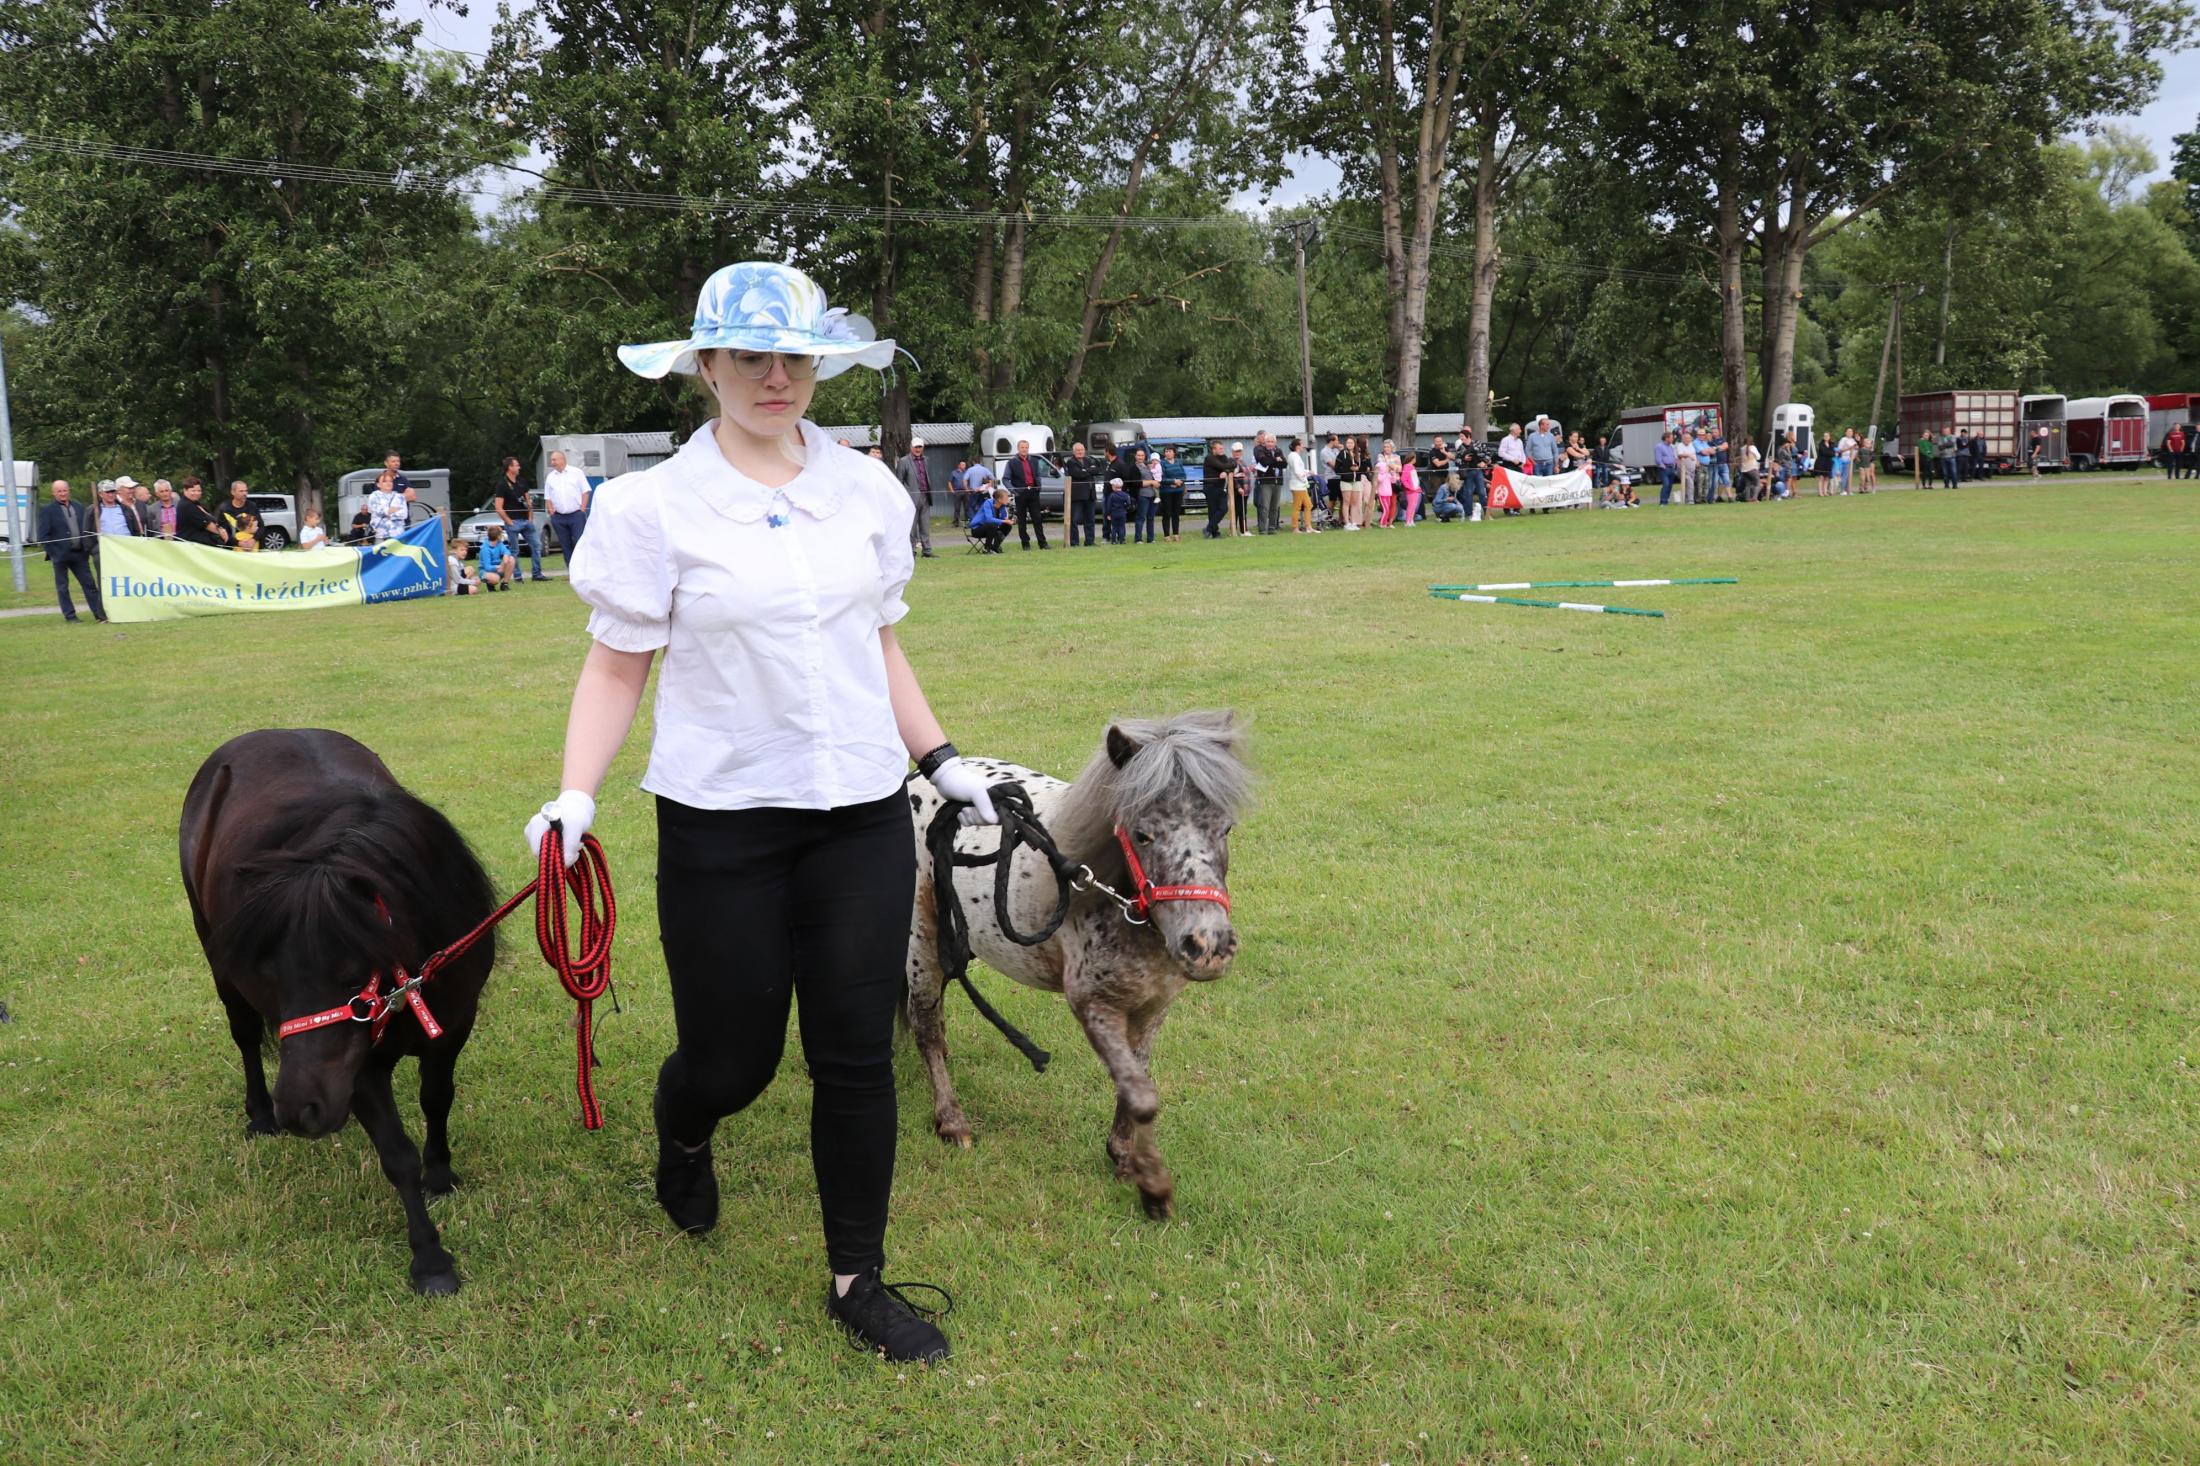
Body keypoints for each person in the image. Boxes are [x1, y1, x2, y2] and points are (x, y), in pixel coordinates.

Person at [539, 259, 1002, 1365]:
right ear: (705, 366)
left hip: (858, 817)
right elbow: (616, 667)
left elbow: (876, 641)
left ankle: (857, 1279)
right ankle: (684, 1126)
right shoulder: (652, 507)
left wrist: (938, 758)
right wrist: (575, 793)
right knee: (732, 1059)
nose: (774, 378)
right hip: (723, 822)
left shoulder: (867, 493)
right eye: (749, 356)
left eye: (793, 356)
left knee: (855, 1052)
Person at [37, 480, 105, 622]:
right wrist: (54, 553)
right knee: (63, 587)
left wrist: (86, 549)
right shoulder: (47, 510)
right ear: (53, 493)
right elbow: (43, 536)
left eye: (64, 490)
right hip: (60, 556)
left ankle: (99, 613)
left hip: (80, 554)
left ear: (69, 490)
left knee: (89, 585)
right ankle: (70, 615)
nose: (62, 493)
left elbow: (86, 528)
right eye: (59, 491)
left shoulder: (79, 507)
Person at [496, 457, 547, 581]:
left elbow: (528, 501)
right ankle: (517, 576)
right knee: (515, 550)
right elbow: (498, 507)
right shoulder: (502, 484)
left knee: (537, 545)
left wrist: (530, 517)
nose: (519, 467)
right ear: (510, 467)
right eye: (516, 465)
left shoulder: (521, 481)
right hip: (513, 522)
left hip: (526, 521)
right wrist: (509, 521)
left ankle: (537, 574)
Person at [544, 448, 593, 559]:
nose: (552, 462)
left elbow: (586, 492)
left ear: (562, 459)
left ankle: (582, 566)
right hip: (558, 517)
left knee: (580, 543)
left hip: (576, 515)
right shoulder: (550, 477)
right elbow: (548, 497)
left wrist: (582, 509)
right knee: (565, 546)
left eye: (554, 460)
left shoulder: (577, 473)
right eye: (551, 460)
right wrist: (552, 513)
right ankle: (570, 568)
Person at [894, 436, 937, 560]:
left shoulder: (926, 460)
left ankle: (927, 550)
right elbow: (899, 482)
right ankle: (911, 550)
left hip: (925, 496)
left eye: (920, 447)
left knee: (925, 526)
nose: (918, 449)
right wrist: (903, 498)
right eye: (916, 447)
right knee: (911, 527)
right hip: (910, 499)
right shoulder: (903, 461)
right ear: (911, 447)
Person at [1003, 439, 1049, 550]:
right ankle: (1025, 543)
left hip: (1033, 492)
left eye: (1026, 447)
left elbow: (1037, 475)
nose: (1024, 449)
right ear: (1018, 449)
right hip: (1020, 494)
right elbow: (1005, 479)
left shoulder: (1034, 460)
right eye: (1022, 447)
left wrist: (1039, 486)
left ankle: (1042, 543)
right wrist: (1014, 491)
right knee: (1022, 520)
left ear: (1028, 448)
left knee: (1037, 519)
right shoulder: (1012, 462)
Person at [1063, 440, 1101, 546]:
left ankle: (1090, 541)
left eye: (1082, 450)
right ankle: (1074, 542)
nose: (1080, 452)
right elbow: (1077, 474)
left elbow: (1097, 470)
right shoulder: (1070, 462)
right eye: (1078, 450)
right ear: (1074, 452)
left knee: (1090, 520)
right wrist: (1088, 471)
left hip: (1090, 495)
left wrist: (1085, 470)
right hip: (1078, 496)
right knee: (1074, 520)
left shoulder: (1088, 460)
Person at [365, 466, 412, 542]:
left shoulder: (400, 497)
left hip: (398, 534)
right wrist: (391, 510)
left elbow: (404, 514)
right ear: (378, 484)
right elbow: (377, 510)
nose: (388, 483)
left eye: (390, 481)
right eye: (384, 481)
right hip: (381, 534)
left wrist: (389, 514)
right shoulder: (374, 496)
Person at [1251, 432, 1285, 535]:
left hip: (1278, 481)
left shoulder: (1279, 450)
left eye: (1272, 441)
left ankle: (1272, 528)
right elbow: (1264, 461)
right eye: (1268, 441)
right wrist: (1276, 460)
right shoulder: (1260, 450)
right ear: (1264, 443)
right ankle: (1262, 529)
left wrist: (1274, 461)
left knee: (1275, 507)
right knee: (1264, 506)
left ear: (1275, 443)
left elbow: (1284, 464)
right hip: (1265, 481)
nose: (1270, 443)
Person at [1199, 440, 1232, 539]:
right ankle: (1215, 533)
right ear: (1214, 449)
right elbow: (1223, 466)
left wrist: (1226, 472)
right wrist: (1229, 466)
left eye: (1222, 448)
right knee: (1212, 511)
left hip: (1220, 487)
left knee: (1224, 508)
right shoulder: (1210, 458)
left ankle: (1208, 529)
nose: (1222, 450)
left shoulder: (1223, 457)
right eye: (1220, 448)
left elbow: (1230, 466)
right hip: (1210, 487)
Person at [220, 480, 262, 550]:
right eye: (241, 491)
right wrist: (239, 543)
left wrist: (253, 539)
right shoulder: (225, 509)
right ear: (233, 492)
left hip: (254, 548)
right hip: (233, 550)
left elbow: (261, 526)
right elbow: (223, 532)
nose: (245, 493)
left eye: (246, 491)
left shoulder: (252, 506)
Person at [968, 486, 1012, 553]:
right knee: (992, 525)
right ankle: (987, 548)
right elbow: (989, 519)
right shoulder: (988, 503)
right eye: (1006, 497)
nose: (1008, 499)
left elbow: (1004, 519)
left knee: (1007, 526)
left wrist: (1008, 521)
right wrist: (1004, 521)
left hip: (992, 529)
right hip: (977, 529)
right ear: (999, 499)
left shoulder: (1002, 506)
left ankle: (995, 547)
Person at [1286, 437, 1315, 533]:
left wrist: (1308, 472)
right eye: (1302, 445)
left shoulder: (1294, 456)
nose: (1303, 446)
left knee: (1308, 505)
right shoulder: (1294, 456)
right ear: (1297, 446)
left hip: (1300, 485)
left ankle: (1308, 526)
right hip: (1298, 486)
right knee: (1297, 507)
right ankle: (1295, 528)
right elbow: (1297, 472)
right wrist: (1304, 479)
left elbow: (1300, 470)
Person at [1158, 446, 1187, 541]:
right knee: (1167, 513)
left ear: (1174, 452)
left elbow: (1184, 475)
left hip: (1178, 490)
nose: (1168, 453)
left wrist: (1179, 482)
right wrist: (1173, 481)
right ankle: (1166, 535)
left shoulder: (1179, 462)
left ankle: (1176, 533)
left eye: (1170, 451)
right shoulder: (1161, 463)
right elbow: (1161, 478)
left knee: (1176, 513)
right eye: (1166, 451)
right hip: (1166, 491)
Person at [1132, 449, 1160, 544]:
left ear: (1145, 456)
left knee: (1151, 517)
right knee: (1141, 517)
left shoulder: (1148, 466)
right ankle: (1138, 539)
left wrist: (1156, 482)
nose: (1140, 457)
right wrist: (1152, 482)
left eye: (1142, 455)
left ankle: (1150, 538)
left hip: (1153, 495)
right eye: (1138, 455)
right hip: (1143, 495)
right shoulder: (1134, 467)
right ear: (1135, 456)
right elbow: (1137, 483)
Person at [478, 523, 517, 590]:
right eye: (501, 534)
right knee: (496, 579)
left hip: (498, 569)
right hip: (485, 571)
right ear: (498, 536)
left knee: (511, 559)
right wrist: (498, 567)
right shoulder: (485, 549)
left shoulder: (499, 543)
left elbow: (507, 551)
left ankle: (505, 584)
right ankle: (490, 585)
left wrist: (506, 555)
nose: (502, 536)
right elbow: (487, 567)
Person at [1226, 443, 1252, 537]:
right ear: (1232, 452)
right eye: (1236, 451)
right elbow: (1232, 477)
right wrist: (1239, 488)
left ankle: (1238, 530)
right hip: (1237, 491)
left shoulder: (1242, 461)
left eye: (1239, 451)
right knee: (1238, 511)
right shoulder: (1231, 462)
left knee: (1241, 511)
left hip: (1245, 490)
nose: (1238, 453)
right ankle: (1242, 531)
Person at [1102, 477, 1131, 544]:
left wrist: (1108, 514)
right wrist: (1125, 509)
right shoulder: (1125, 495)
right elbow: (1128, 504)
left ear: (1114, 487)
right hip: (1122, 513)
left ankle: (1114, 541)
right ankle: (1122, 540)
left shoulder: (1111, 495)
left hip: (1114, 513)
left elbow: (1109, 505)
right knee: (1121, 527)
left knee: (1114, 527)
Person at [1397, 447, 1420, 526]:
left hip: (1416, 489)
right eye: (1415, 458)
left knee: (1414, 505)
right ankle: (1408, 521)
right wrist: (1410, 487)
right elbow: (1403, 479)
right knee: (1411, 505)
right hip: (1411, 490)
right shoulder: (1407, 466)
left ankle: (1411, 520)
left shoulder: (1412, 467)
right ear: (1412, 458)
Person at [1654, 431, 1679, 505]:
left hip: (1671, 468)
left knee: (1670, 485)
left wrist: (1675, 463)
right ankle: (1663, 501)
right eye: (1671, 438)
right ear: (1666, 438)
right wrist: (1662, 466)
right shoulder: (1659, 446)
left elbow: (1673, 456)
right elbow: (1658, 458)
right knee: (1666, 484)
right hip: (1664, 468)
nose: (1672, 439)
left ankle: (1666, 499)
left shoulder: (1671, 447)